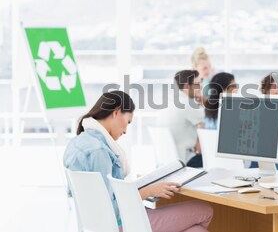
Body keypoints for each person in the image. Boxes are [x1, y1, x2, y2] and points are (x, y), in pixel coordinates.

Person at [63, 90, 213, 232]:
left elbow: (104, 197)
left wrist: (139, 188)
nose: (126, 131)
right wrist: (147, 191)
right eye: (128, 122)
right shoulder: (99, 151)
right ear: (116, 113)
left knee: (196, 230)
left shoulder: (79, 142)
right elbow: (110, 209)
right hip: (122, 224)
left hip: (105, 224)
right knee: (205, 210)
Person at [158, 70, 205, 168]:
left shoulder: (168, 101)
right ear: (187, 86)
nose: (201, 87)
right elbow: (204, 126)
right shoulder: (187, 103)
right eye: (197, 84)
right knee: (222, 158)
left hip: (168, 161)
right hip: (186, 159)